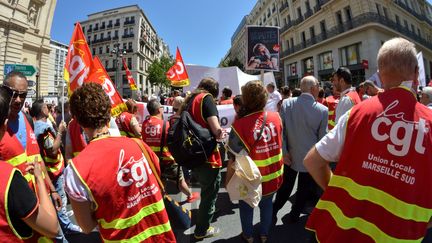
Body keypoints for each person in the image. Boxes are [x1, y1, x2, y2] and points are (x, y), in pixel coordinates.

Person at [304, 37, 432, 242]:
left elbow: (312, 161)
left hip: (341, 231)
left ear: (380, 74)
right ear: (417, 72)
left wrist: (335, 191)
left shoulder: (358, 112)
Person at [64, 83, 175, 242]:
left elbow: (86, 227)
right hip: (161, 238)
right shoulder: (139, 145)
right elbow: (157, 183)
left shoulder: (75, 171)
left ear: (78, 121)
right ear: (108, 113)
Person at [0, 83, 59, 241]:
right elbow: (53, 227)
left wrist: (51, 189)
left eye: (23, 95)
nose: (19, 100)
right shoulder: (9, 178)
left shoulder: (27, 120)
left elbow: (37, 158)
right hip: (15, 212)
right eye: (14, 94)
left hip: (37, 203)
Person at [228, 80, 284, 243]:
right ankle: (264, 234)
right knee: (267, 206)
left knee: (246, 208)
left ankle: (248, 235)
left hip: (251, 179)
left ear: (245, 99)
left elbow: (233, 157)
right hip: (274, 176)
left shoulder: (239, 125)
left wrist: (228, 181)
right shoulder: (276, 118)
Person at [273, 76, 328, 224]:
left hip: (289, 155)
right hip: (310, 159)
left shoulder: (287, 104)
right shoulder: (322, 110)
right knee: (303, 189)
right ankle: (294, 215)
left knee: (285, 187)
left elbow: (280, 131)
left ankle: (273, 211)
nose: (319, 88)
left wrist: (284, 152)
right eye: (318, 85)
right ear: (313, 88)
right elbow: (322, 139)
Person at [30, 100, 82, 238]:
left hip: (54, 168)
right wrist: (59, 132)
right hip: (53, 170)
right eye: (46, 107)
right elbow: (52, 149)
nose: (49, 109)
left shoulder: (40, 126)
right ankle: (65, 227)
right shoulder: (43, 128)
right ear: (42, 110)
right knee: (60, 201)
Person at [180, 77, 224, 239]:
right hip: (207, 154)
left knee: (201, 187)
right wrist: (222, 133)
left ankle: (205, 211)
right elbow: (216, 129)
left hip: (193, 153)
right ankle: (202, 230)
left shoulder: (190, 100)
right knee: (210, 191)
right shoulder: (207, 99)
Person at [141, 99, 199, 203]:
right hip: (168, 160)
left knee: (160, 182)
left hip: (152, 161)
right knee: (180, 181)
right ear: (159, 110)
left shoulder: (144, 124)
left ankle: (161, 200)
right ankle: (190, 195)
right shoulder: (165, 124)